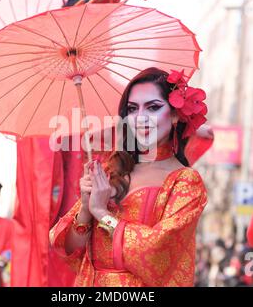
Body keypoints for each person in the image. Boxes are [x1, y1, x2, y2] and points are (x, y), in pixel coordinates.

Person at [49, 67, 208, 286]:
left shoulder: (185, 182)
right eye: (133, 109)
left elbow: (155, 252)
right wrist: (86, 208)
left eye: (153, 107)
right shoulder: (110, 169)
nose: (140, 118)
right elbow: (69, 248)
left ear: (174, 115)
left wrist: (101, 212)